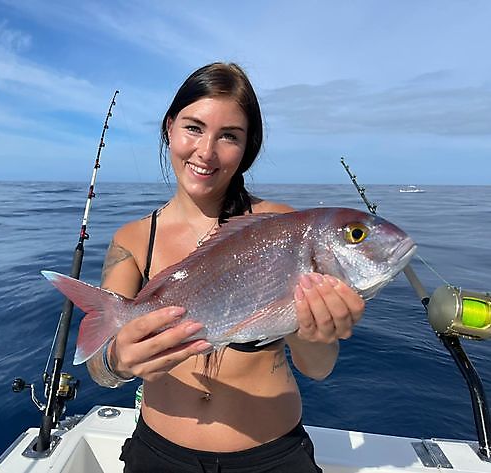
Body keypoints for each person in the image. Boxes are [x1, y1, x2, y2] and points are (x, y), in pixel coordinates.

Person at [86, 62, 365, 472]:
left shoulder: (281, 227)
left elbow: (318, 368)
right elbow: (97, 362)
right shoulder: (133, 239)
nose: (206, 151)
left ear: (247, 146)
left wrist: (316, 330)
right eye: (193, 128)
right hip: (159, 453)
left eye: (229, 136)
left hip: (272, 455)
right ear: (169, 128)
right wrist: (118, 362)